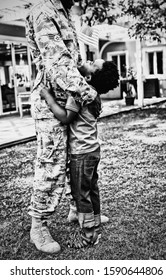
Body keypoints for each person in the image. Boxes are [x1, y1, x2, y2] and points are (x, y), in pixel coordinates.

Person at [25, 0, 98, 254]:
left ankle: (76, 209)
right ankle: (39, 225)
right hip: (51, 103)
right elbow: (57, 64)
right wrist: (89, 92)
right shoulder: (43, 10)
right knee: (51, 163)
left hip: (68, 99)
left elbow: (72, 60)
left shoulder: (63, 12)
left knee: (74, 157)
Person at [40, 58, 119, 248]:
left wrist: (49, 98)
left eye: (93, 63)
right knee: (92, 188)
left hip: (81, 153)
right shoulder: (94, 94)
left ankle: (88, 234)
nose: (89, 60)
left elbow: (66, 118)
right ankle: (96, 222)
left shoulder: (80, 93)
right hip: (93, 150)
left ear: (89, 76)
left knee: (80, 193)